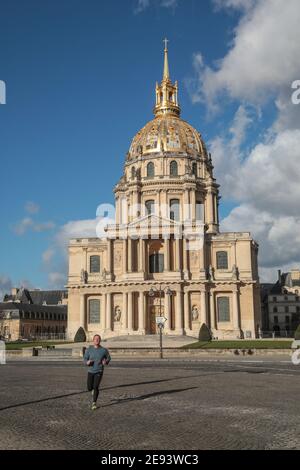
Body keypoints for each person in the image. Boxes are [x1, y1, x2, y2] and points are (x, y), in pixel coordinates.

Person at [83, 334, 111, 410]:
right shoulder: (89, 349)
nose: (97, 340)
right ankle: (92, 391)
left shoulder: (104, 350)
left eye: (98, 339)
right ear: (93, 340)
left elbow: (108, 358)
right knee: (89, 387)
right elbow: (85, 358)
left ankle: (94, 403)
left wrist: (106, 362)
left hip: (99, 370)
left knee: (96, 387)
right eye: (95, 339)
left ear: (100, 340)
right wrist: (87, 362)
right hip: (90, 370)